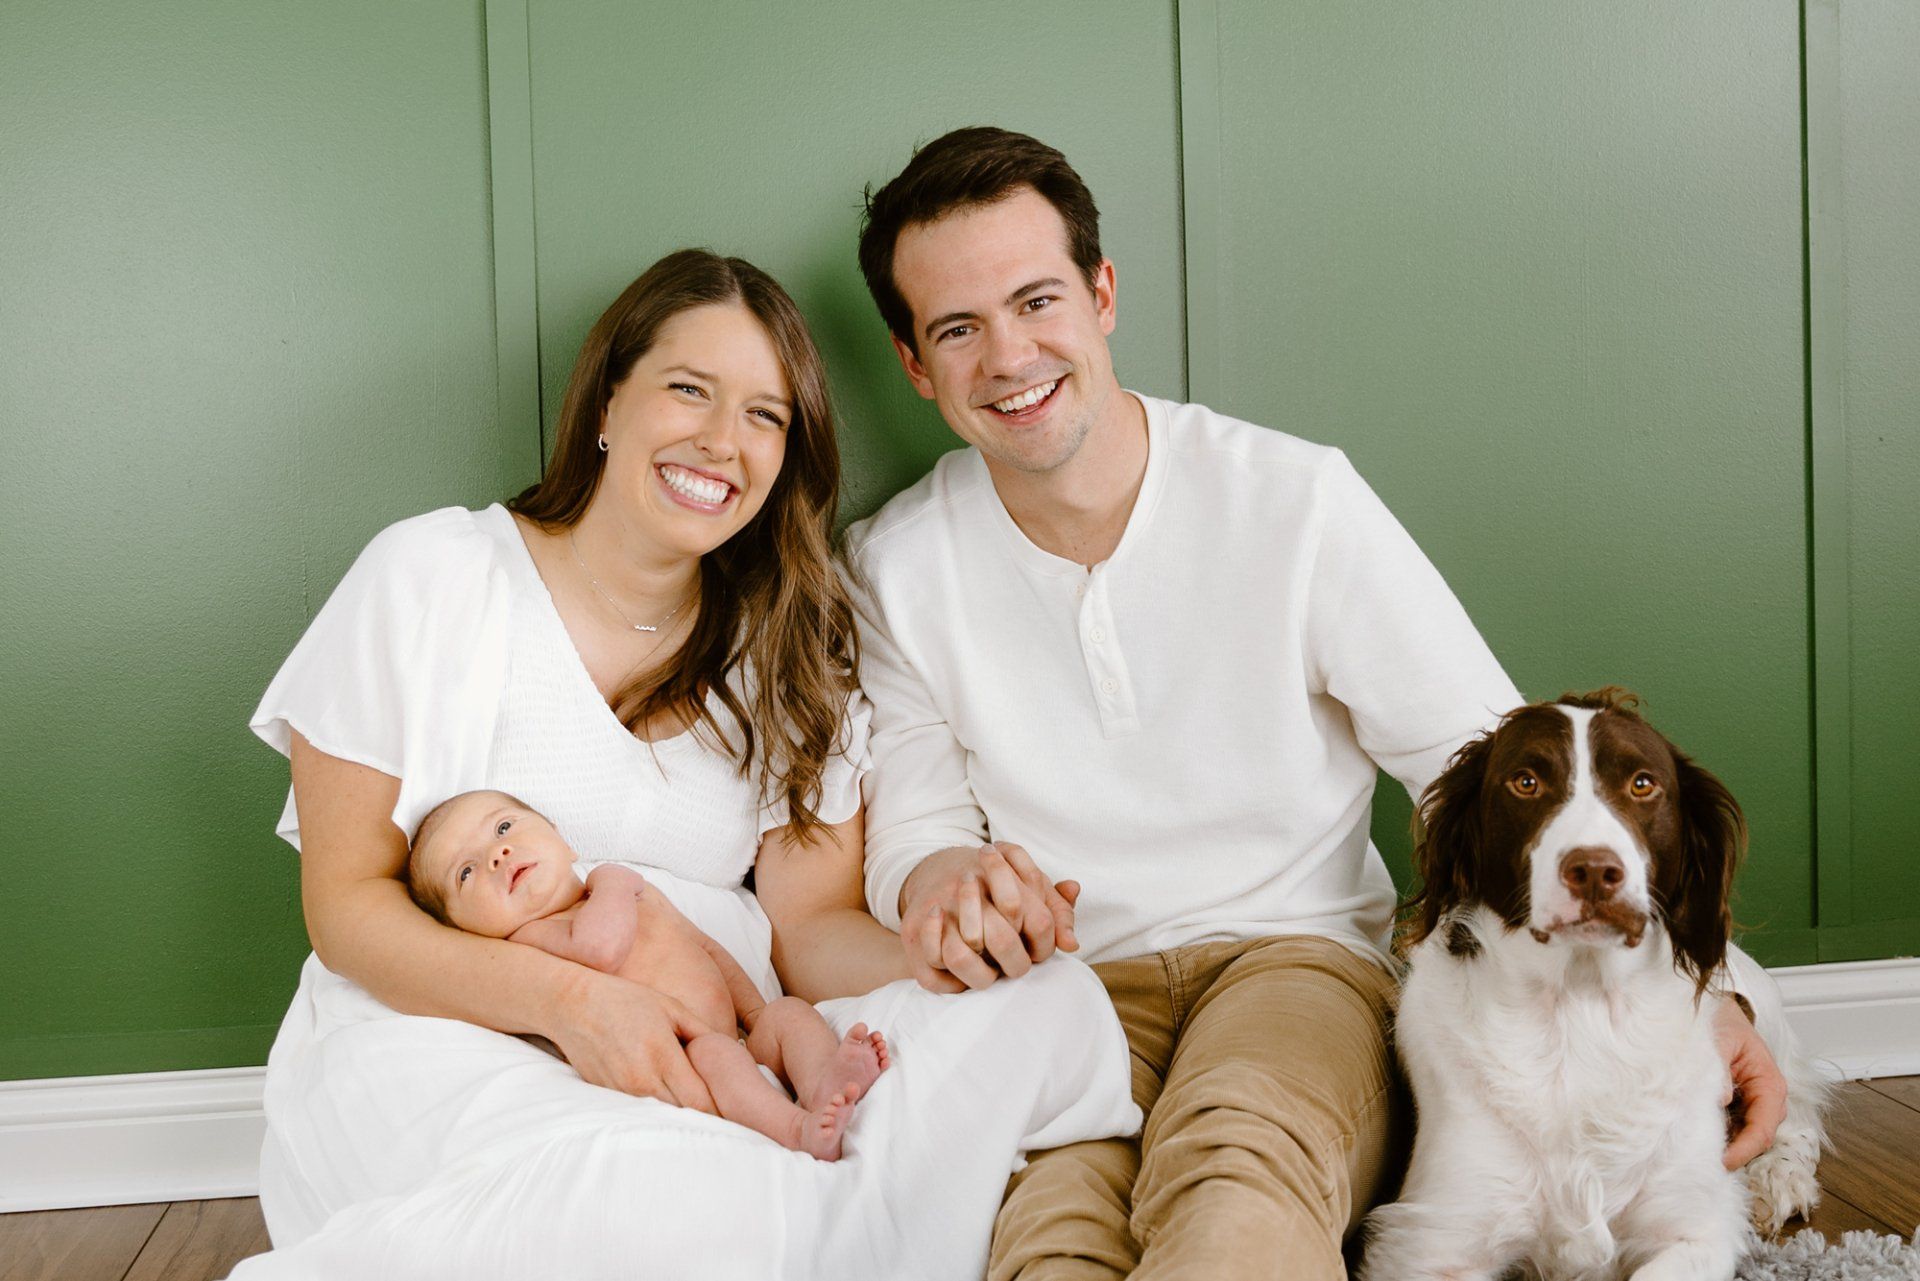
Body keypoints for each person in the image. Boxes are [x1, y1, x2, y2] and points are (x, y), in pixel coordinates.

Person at [844, 126, 1790, 1281]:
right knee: (1048, 1236)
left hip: (1293, 961)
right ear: (913, 363)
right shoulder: (891, 566)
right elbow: (918, 835)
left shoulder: (1294, 501)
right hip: (1063, 996)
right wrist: (941, 881)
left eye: (1036, 300)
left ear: (1101, 293)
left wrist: (1722, 996)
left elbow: (1494, 771)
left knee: (1245, 1161)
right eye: (957, 328)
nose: (1007, 355)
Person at [238, 248, 1139, 1280]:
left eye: (764, 415)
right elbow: (346, 906)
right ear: (608, 401)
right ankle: (828, 1225)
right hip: (462, 1038)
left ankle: (813, 1218)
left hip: (733, 1050)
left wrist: (939, 959)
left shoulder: (790, 644)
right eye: (689, 390)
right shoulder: (434, 577)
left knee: (1051, 1006)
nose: (723, 440)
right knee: (658, 1206)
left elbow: (809, 934)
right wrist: (574, 1008)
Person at [406, 788, 889, 1161]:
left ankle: (824, 1081)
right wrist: (613, 885)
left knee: (791, 1013)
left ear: (559, 835)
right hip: (686, 1058)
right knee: (718, 1054)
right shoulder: (530, 940)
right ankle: (796, 1131)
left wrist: (756, 1012)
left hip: (740, 1037)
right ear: (463, 928)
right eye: (465, 873)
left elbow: (703, 948)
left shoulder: (638, 895)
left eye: (504, 827)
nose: (497, 855)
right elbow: (599, 949)